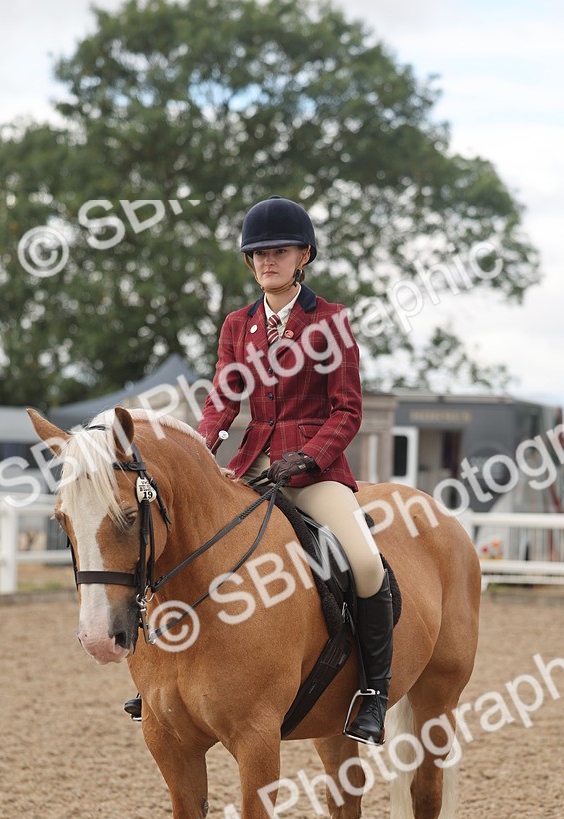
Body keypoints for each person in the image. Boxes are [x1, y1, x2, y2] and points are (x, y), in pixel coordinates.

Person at [127, 196, 393, 744]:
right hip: (253, 468)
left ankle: (372, 693)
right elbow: (224, 400)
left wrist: (310, 457)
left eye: (279, 251)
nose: (267, 261)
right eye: (258, 253)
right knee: (182, 548)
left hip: (316, 475)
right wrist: (199, 451)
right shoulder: (237, 325)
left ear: (304, 257)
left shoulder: (332, 321)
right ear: (250, 263)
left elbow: (348, 411)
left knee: (365, 563)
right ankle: (161, 674)